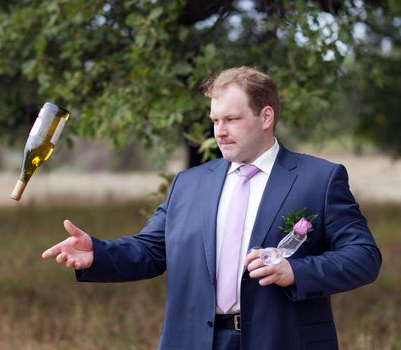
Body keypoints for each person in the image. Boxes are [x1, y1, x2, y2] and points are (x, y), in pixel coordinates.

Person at [42, 66, 381, 350]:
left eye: (231, 119)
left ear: (266, 117)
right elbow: (151, 251)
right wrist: (97, 254)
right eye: (215, 120)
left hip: (282, 339)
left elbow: (363, 256)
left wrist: (297, 272)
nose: (220, 132)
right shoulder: (189, 184)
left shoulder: (319, 179)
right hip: (193, 340)